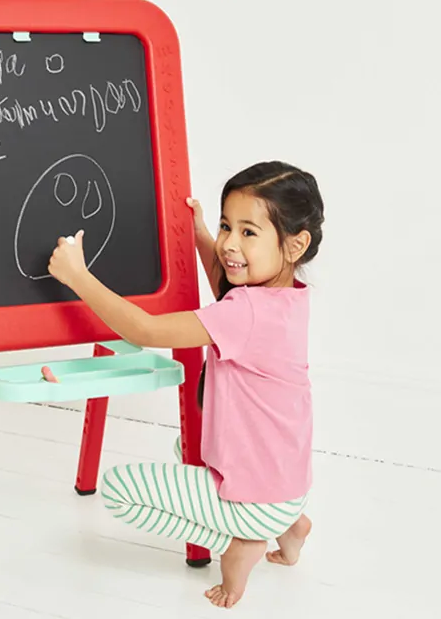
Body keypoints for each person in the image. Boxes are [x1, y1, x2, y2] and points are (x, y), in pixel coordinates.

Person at [47, 161, 325, 609]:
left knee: (120, 491)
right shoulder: (287, 296)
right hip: (289, 484)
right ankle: (291, 526)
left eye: (249, 233)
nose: (230, 244)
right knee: (188, 445)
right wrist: (198, 232)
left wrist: (77, 276)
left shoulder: (245, 312)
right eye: (225, 226)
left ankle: (246, 539)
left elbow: (146, 330)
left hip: (256, 498)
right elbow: (225, 279)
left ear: (296, 244)